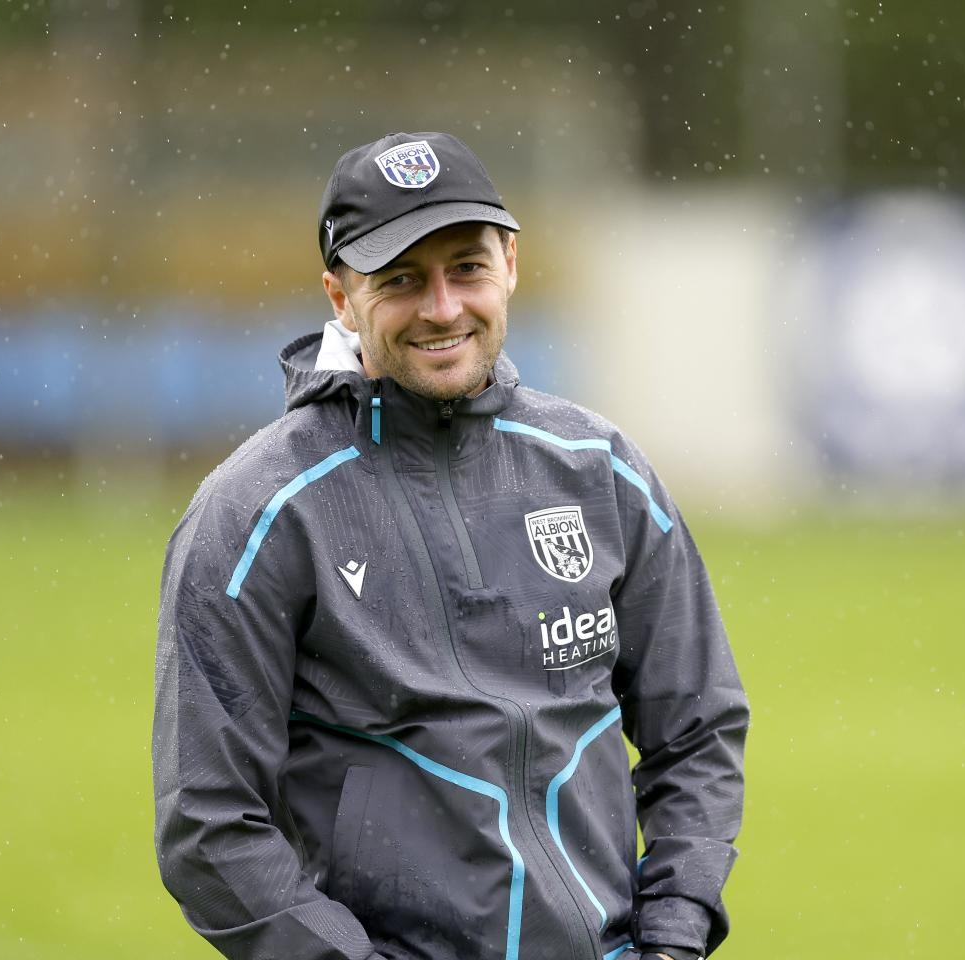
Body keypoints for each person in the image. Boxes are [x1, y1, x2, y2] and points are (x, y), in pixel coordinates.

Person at [152, 131, 749, 960]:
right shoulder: (257, 513)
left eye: (466, 267)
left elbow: (697, 729)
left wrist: (675, 936)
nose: (441, 308)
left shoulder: (601, 471)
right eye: (400, 280)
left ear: (510, 263)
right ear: (338, 296)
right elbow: (209, 825)